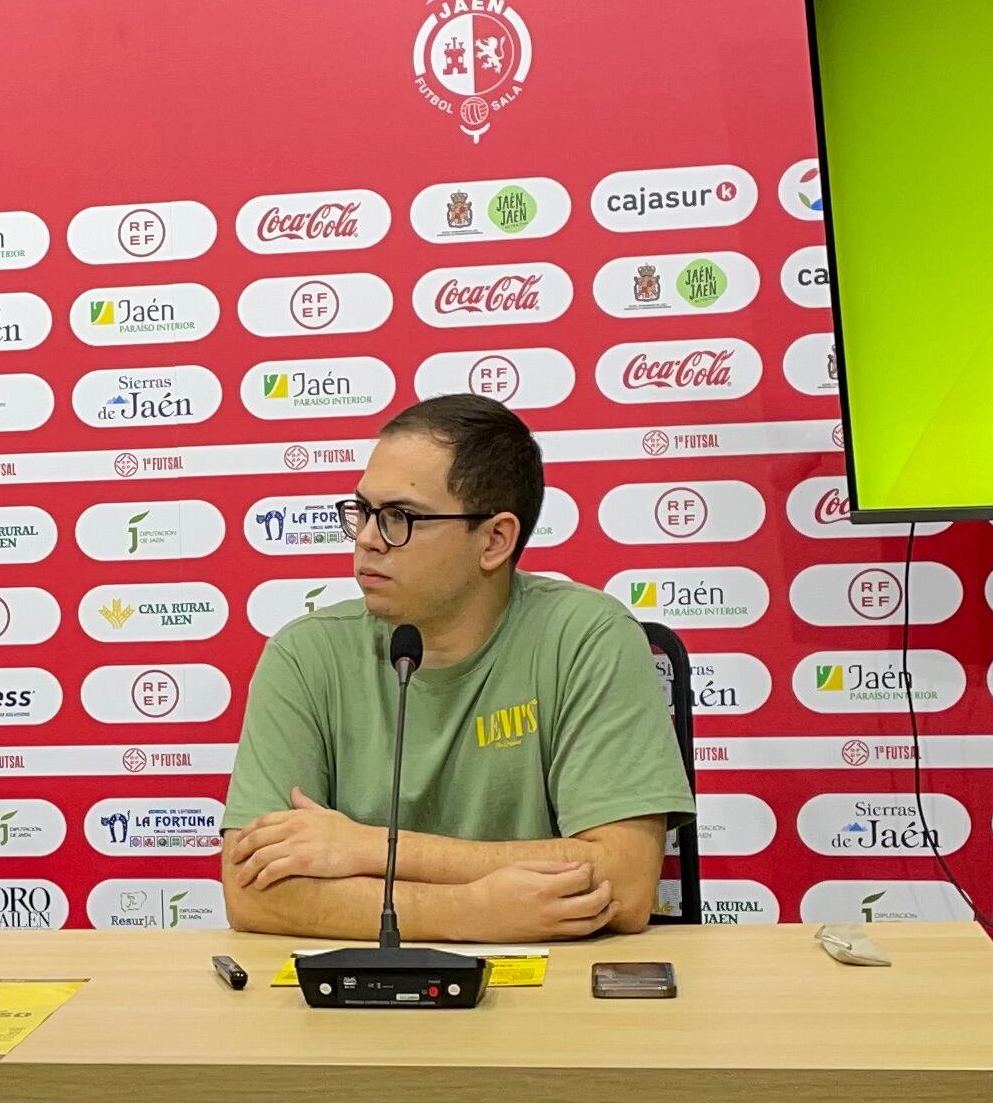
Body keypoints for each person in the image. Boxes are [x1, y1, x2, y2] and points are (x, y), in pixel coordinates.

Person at [222, 394, 690, 943]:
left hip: (552, 999)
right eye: (363, 512)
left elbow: (626, 882)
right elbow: (252, 889)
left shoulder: (589, 635)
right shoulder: (304, 654)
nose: (369, 539)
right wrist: (472, 911)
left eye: (401, 517)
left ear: (494, 540)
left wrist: (368, 847)